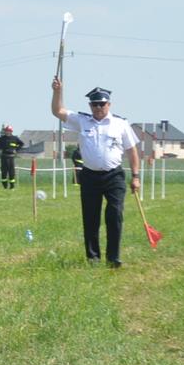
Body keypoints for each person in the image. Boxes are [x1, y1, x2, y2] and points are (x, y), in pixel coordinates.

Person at [50, 80, 140, 268]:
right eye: (94, 104)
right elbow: (58, 111)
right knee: (90, 217)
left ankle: (113, 257)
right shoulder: (82, 120)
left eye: (102, 104)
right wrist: (58, 91)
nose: (98, 107)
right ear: (90, 105)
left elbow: (132, 151)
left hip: (114, 175)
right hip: (90, 176)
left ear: (109, 104)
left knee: (114, 214)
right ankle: (93, 258)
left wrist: (136, 176)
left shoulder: (121, 124)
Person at [0, 125, 24, 190]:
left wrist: (16, 149)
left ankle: (12, 187)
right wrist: (0, 148)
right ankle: (5, 187)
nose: (7, 132)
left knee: (11, 172)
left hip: (11, 157)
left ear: (11, 131)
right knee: (4, 172)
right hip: (3, 157)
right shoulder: (2, 138)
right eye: (6, 131)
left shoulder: (15, 138)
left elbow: (21, 144)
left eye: (9, 131)